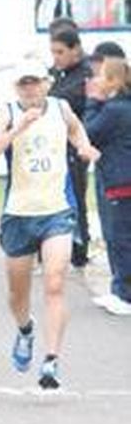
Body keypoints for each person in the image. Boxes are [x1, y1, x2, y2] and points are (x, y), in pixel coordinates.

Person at [0, 63, 100, 390]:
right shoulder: (5, 113)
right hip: (18, 213)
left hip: (56, 210)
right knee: (18, 294)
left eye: (35, 83)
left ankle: (51, 360)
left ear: (46, 84)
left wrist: (83, 147)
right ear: (16, 88)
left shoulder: (61, 108)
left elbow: (75, 129)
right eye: (23, 85)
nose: (30, 90)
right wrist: (17, 128)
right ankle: (25, 329)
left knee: (55, 281)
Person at [85, 58, 131, 314]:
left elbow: (89, 132)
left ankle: (124, 294)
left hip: (121, 181)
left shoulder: (113, 110)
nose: (97, 81)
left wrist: (93, 101)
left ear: (114, 81)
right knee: (121, 237)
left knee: (120, 238)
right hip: (124, 179)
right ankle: (119, 290)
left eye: (101, 76)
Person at [48, 26, 94, 268]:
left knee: (75, 197)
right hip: (54, 147)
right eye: (53, 52)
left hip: (74, 148)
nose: (56, 58)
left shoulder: (84, 76)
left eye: (60, 52)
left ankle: (79, 249)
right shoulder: (58, 74)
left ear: (75, 49)